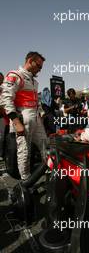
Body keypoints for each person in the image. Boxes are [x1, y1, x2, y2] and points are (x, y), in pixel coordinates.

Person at [0, 52, 47, 180]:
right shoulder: (15, 75)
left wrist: (41, 113)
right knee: (24, 151)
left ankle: (49, 173)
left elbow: (36, 100)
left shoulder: (33, 80)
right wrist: (16, 122)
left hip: (35, 118)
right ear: (30, 60)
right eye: (39, 66)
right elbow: (5, 99)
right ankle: (26, 181)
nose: (40, 69)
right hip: (23, 117)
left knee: (45, 146)